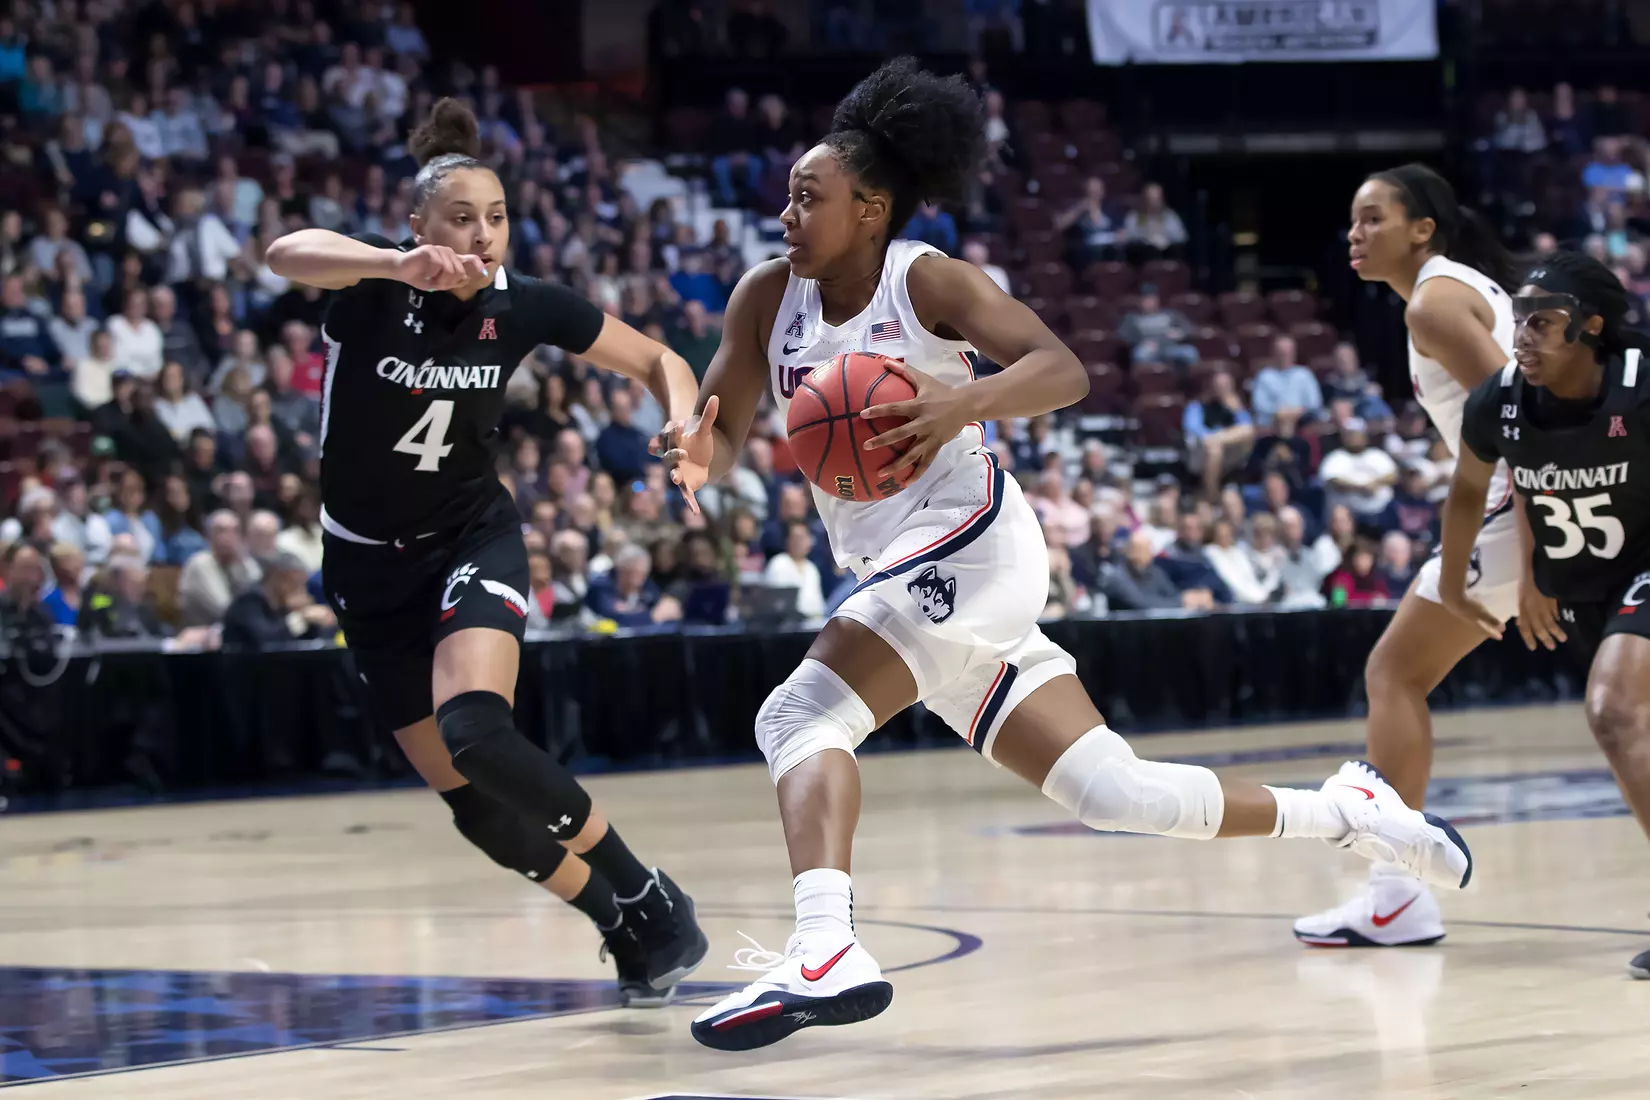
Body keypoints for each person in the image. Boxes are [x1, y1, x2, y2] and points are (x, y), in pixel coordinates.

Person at [667, 59, 1473, 1051]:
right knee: (1114, 793)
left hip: (969, 541)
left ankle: (825, 947)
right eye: (789, 197)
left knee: (798, 714)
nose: (785, 214)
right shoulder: (765, 296)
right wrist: (695, 450)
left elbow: (1063, 368)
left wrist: (962, 401)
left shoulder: (925, 280)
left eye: (807, 196)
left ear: (870, 210)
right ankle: (1352, 809)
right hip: (908, 574)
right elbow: (723, 426)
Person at [263, 97, 711, 1006]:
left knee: (475, 732)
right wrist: (393, 262)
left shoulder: (526, 304)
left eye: (496, 217)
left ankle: (647, 891)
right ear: (419, 224)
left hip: (471, 535)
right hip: (366, 570)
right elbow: (283, 253)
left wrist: (683, 425)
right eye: (461, 217)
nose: (482, 235)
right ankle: (619, 924)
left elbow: (659, 359)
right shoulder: (373, 284)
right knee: (473, 808)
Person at [1294, 163, 1527, 949]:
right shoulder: (1455, 289)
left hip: (1519, 510)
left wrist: (1537, 552)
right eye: (1353, 221)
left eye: (1373, 219)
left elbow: (1523, 424)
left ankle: (1396, 896)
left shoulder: (1434, 301)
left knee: (1395, 674)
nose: (1355, 234)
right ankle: (1396, 895)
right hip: (1524, 507)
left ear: (1423, 228)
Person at [1441, 253, 1650, 979]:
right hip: (1587, 585)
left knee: (1612, 711)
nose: (1522, 335)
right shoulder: (1498, 401)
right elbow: (1473, 492)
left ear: (1590, 327)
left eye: (1542, 322)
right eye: (1519, 319)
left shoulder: (1641, 384)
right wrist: (1460, 584)